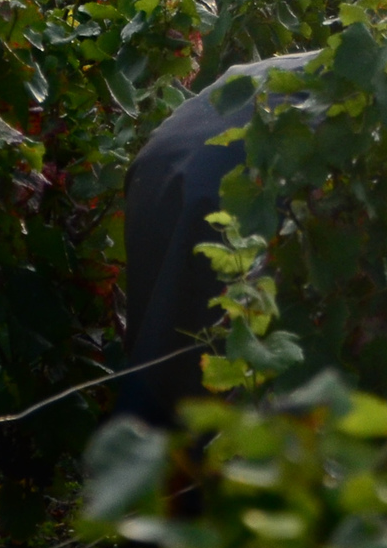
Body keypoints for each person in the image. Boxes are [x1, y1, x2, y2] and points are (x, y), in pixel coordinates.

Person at [117, 53, 314, 426]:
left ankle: (142, 452)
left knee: (163, 344)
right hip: (226, 185)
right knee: (225, 375)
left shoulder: (299, 74)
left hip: (166, 159)